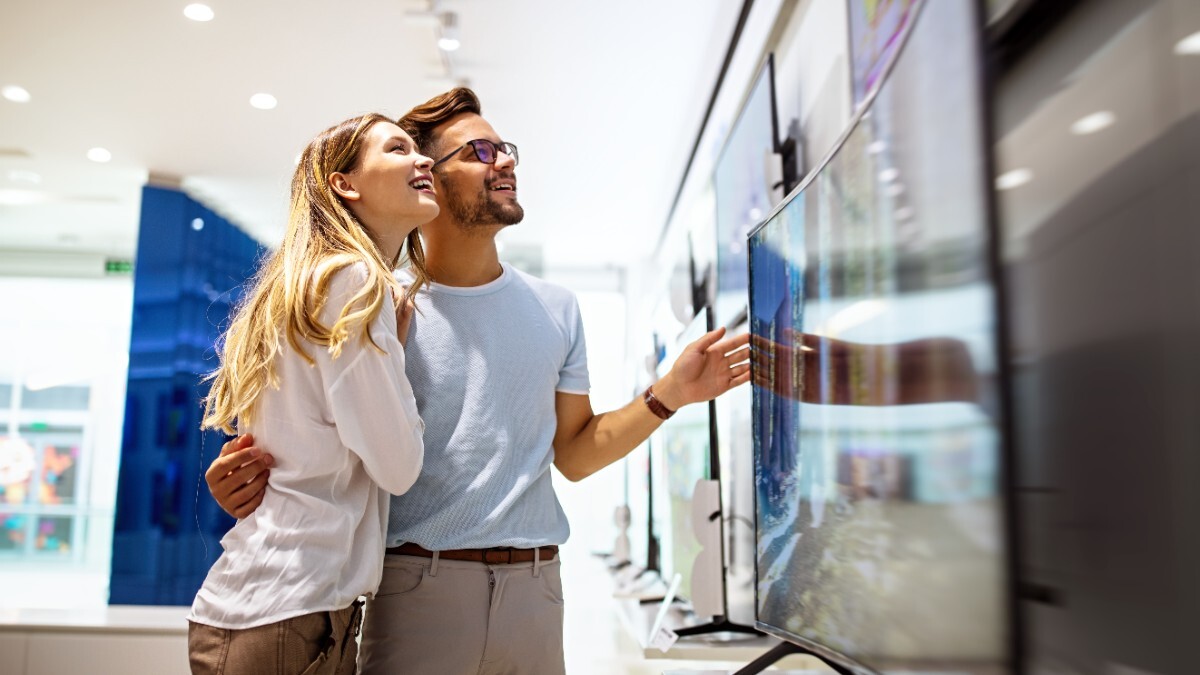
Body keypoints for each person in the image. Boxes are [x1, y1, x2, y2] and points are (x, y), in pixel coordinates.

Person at [206, 88, 751, 675]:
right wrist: (244, 477)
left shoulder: (557, 309)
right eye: (481, 153)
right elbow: (309, 438)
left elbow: (574, 452)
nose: (506, 162)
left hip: (538, 592)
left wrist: (670, 392)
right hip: (414, 588)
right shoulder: (379, 305)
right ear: (429, 180)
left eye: (505, 150)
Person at [188, 112, 436, 675]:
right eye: (398, 149)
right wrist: (393, 358)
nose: (422, 160)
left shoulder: (308, 284)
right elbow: (398, 467)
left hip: (267, 605)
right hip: (292, 610)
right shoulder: (356, 280)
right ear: (345, 185)